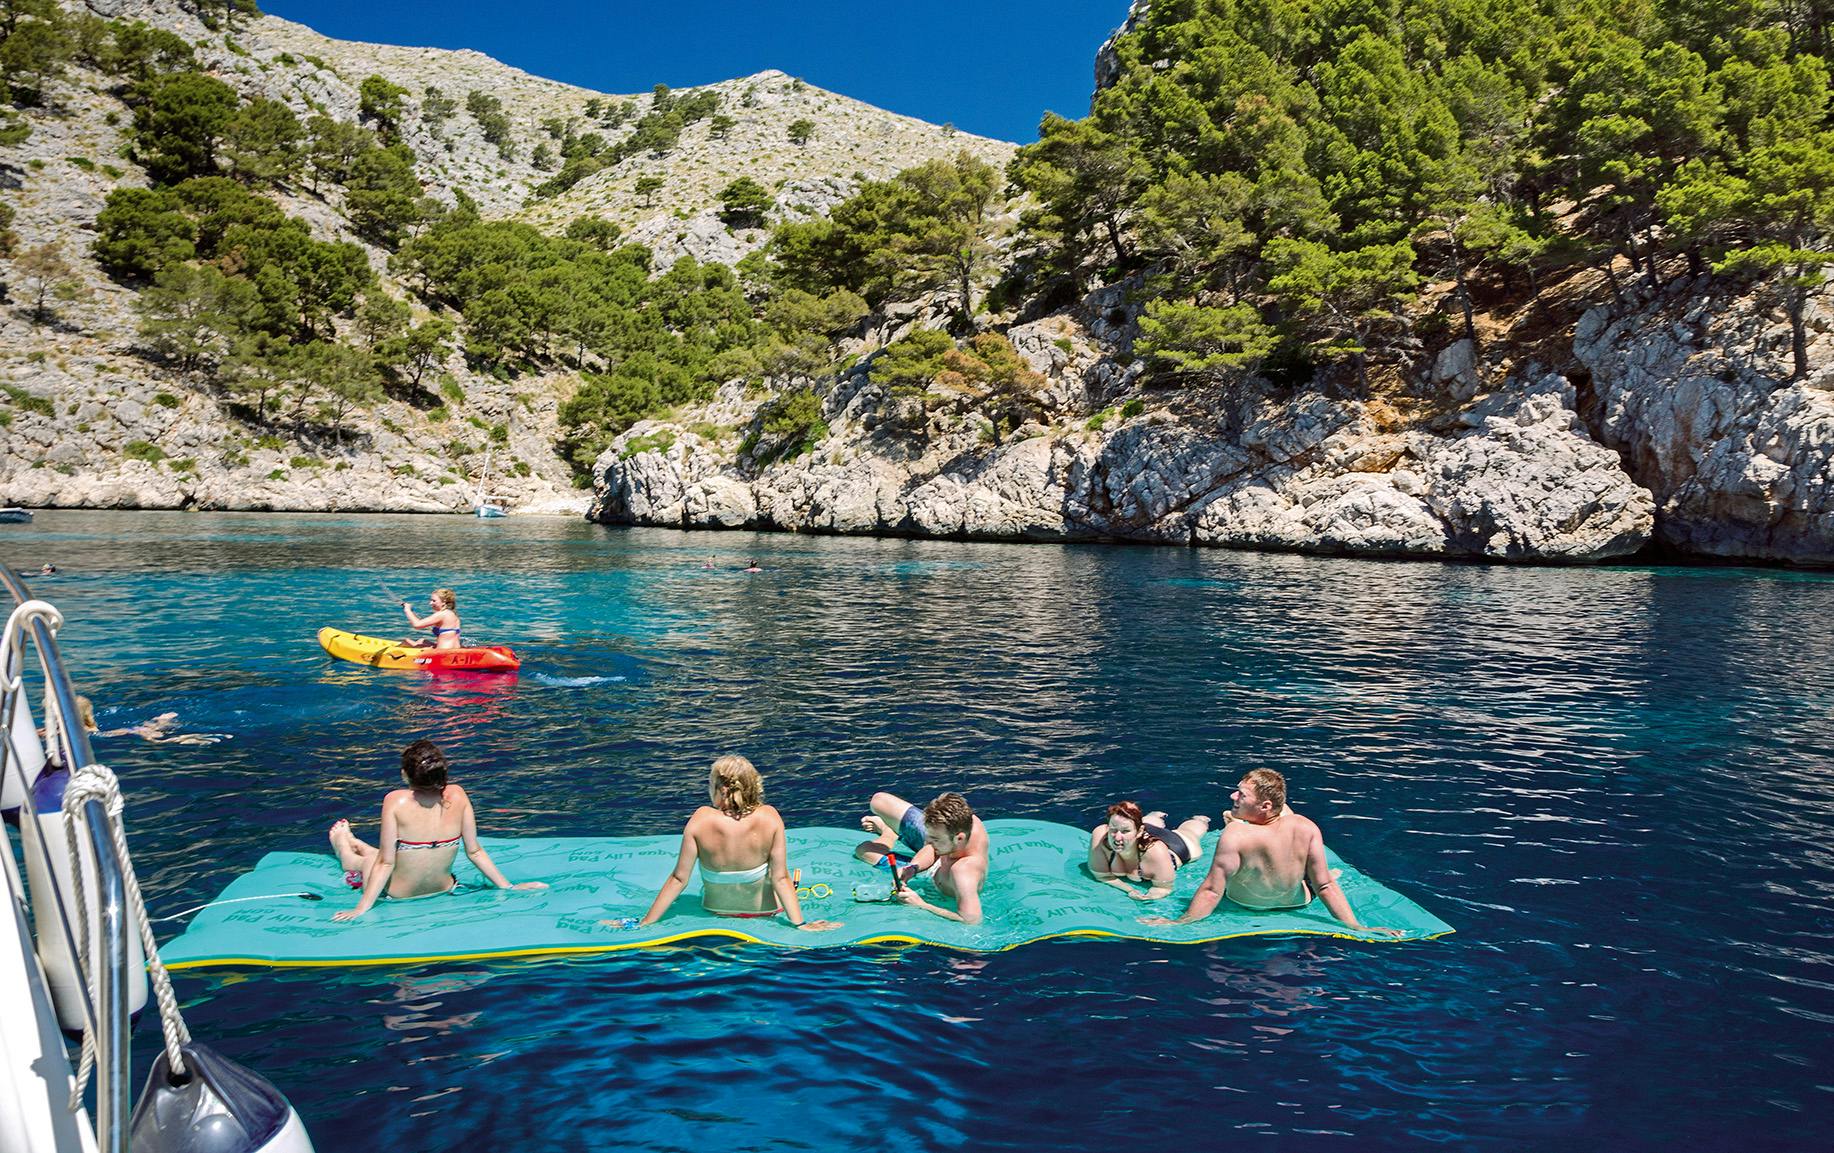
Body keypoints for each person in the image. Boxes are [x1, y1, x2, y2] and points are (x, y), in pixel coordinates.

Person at [1140, 769, 1398, 935]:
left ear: (1264, 805)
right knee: (1316, 869)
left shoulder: (1235, 834)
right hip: (1299, 901)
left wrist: (1180, 923)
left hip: (1247, 904)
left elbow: (1212, 890)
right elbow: (1326, 886)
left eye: (1241, 794)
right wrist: (1357, 927)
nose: (1233, 796)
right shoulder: (1305, 826)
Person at [614, 755, 841, 932]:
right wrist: (800, 924)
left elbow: (679, 879)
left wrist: (646, 922)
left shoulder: (700, 819)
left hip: (716, 911)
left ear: (719, 789)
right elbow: (780, 878)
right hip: (766, 913)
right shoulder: (770, 817)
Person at [330, 739, 545, 921]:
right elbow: (475, 852)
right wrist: (508, 887)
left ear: (405, 775)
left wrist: (361, 908)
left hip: (397, 894)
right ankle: (358, 844)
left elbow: (386, 863)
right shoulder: (459, 795)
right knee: (379, 855)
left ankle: (344, 846)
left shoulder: (395, 801)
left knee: (370, 861)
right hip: (444, 888)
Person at [855, 790, 989, 925]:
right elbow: (931, 847)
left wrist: (921, 904)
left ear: (959, 838)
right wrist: (912, 869)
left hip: (935, 869)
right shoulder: (958, 823)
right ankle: (890, 828)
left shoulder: (964, 870)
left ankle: (888, 833)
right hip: (942, 845)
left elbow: (971, 920)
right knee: (879, 800)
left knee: (864, 850)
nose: (927, 842)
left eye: (934, 839)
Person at [1089, 801, 1210, 900]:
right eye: (1113, 830)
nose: (1117, 837)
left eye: (1125, 832)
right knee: (1133, 821)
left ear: (1140, 832)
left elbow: (1163, 888)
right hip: (1137, 834)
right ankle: (1155, 816)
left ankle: (1200, 820)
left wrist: (1148, 897)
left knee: (1191, 831)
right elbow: (1102, 876)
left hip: (1177, 845)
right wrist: (1130, 890)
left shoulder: (1155, 851)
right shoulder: (1101, 835)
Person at [76, 696, 229, 746]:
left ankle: (181, 734)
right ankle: (161, 723)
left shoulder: (83, 730)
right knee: (151, 734)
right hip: (124, 732)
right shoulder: (88, 728)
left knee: (155, 738)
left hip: (124, 733)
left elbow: (102, 735)